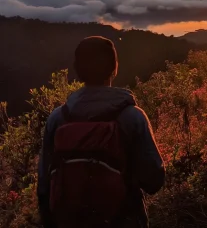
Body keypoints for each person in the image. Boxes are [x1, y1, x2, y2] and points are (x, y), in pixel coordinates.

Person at [37, 36, 165, 228]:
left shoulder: (57, 119)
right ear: (114, 68)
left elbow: (44, 188)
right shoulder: (132, 118)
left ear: (77, 70)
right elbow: (154, 181)